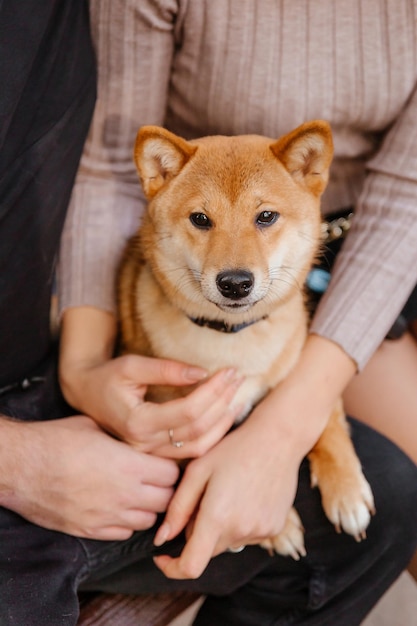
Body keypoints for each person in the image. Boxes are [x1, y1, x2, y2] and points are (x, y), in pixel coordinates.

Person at [1, 2, 417, 626]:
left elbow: (408, 194)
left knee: (391, 498)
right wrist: (81, 369)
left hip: (364, 252)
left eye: (255, 225)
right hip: (206, 241)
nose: (235, 259)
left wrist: (285, 437)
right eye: (206, 227)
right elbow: (112, 160)